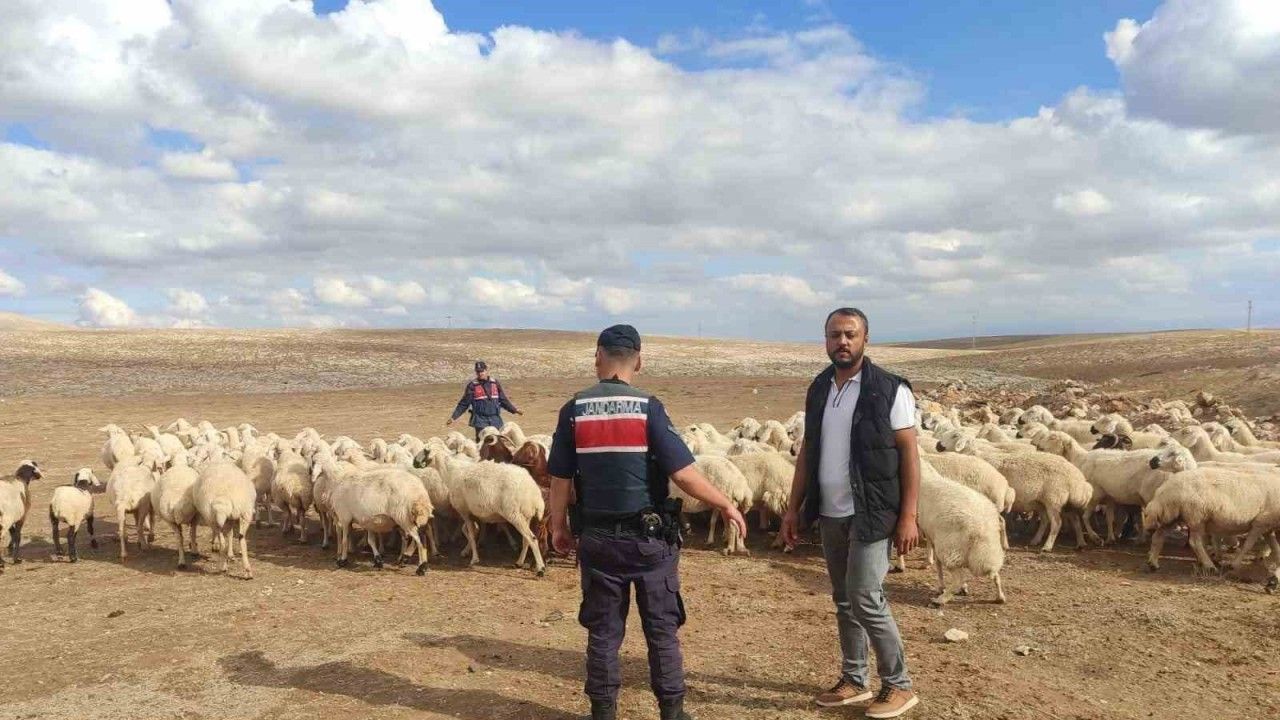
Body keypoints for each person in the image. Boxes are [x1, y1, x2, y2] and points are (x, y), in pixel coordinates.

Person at [547, 324, 748, 720]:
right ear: (638, 362)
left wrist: (558, 527)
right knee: (661, 630)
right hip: (649, 542)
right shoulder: (648, 408)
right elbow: (683, 474)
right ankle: (672, 713)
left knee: (604, 633)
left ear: (598, 357)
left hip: (598, 540)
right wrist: (725, 503)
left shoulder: (574, 410)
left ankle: (603, 713)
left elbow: (560, 479)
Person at [779, 307, 922, 719]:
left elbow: (909, 453)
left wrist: (909, 515)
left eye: (850, 334)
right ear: (825, 340)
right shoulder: (820, 387)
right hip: (830, 510)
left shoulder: (889, 389)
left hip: (872, 510)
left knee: (864, 596)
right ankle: (855, 679)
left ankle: (899, 684)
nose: (842, 341)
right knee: (844, 599)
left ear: (865, 339)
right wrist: (793, 509)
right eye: (834, 335)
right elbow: (809, 450)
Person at [446, 360, 522, 440]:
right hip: (480, 421)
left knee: (498, 442)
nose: (480, 373)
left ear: (486, 370)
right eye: (478, 372)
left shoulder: (495, 383)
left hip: (495, 419)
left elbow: (503, 400)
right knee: (482, 443)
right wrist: (453, 417)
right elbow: (464, 404)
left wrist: (515, 410)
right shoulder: (472, 386)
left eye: (482, 371)